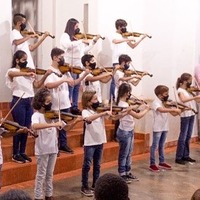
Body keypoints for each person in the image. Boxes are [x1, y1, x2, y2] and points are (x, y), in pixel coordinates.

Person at [32, 87, 82, 200]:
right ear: (41, 103)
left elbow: (66, 128)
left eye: (51, 102)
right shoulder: (36, 116)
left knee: (49, 175)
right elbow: (35, 126)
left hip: (53, 149)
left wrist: (75, 121)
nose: (50, 104)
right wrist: (53, 125)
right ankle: (37, 196)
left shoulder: (53, 116)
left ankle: (49, 195)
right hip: (42, 149)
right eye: (48, 102)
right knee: (41, 175)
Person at [5, 50, 51, 164]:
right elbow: (12, 75)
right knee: (19, 127)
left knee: (26, 127)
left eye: (26, 60)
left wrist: (45, 75)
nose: (25, 62)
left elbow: (37, 85)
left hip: (29, 101)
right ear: (17, 60)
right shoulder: (13, 71)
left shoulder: (29, 73)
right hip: (18, 100)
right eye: (23, 60)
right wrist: (25, 73)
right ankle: (15, 153)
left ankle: (22, 151)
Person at [44, 47, 90, 154]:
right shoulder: (50, 71)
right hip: (55, 103)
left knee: (64, 125)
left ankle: (63, 145)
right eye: (61, 57)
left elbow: (73, 83)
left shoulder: (65, 70)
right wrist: (63, 80)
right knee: (55, 127)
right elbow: (48, 85)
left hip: (65, 102)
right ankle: (54, 147)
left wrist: (84, 75)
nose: (64, 59)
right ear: (55, 58)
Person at [60, 18, 101, 114]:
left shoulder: (77, 39)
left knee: (77, 87)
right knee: (71, 86)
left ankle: (74, 106)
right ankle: (68, 106)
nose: (78, 29)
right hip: (70, 66)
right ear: (71, 26)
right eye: (76, 26)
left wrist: (93, 41)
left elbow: (84, 50)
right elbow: (68, 45)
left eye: (78, 26)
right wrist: (81, 40)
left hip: (79, 67)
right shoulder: (65, 36)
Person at [80, 90, 113, 197]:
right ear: (88, 102)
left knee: (97, 165)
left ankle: (96, 184)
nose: (97, 101)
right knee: (87, 164)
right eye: (95, 99)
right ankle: (84, 186)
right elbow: (88, 119)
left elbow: (111, 117)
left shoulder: (98, 111)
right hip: (90, 142)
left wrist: (121, 113)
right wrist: (102, 113)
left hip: (100, 141)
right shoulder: (85, 111)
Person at [116, 83, 150, 183]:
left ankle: (127, 171)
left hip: (129, 130)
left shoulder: (126, 103)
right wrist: (146, 109)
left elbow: (134, 108)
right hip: (124, 131)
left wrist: (138, 104)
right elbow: (138, 116)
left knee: (129, 153)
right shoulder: (123, 105)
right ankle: (122, 173)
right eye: (129, 92)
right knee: (124, 153)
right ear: (126, 93)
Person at [110, 19, 148, 102]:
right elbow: (115, 41)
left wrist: (141, 38)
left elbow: (133, 46)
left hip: (125, 60)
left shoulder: (124, 36)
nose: (125, 28)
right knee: (115, 81)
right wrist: (127, 39)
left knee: (125, 80)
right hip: (117, 61)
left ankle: (124, 98)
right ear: (119, 26)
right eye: (123, 26)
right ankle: (113, 99)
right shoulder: (114, 34)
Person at [149, 85, 181, 172]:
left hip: (165, 126)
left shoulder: (165, 102)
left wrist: (181, 110)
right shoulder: (156, 102)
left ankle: (161, 162)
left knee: (162, 145)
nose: (167, 95)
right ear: (160, 95)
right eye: (166, 94)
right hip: (158, 127)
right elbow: (161, 110)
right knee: (155, 146)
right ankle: (152, 163)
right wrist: (173, 110)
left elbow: (173, 114)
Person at [175, 73, 200, 164]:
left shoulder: (188, 90)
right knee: (183, 136)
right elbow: (183, 100)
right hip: (185, 115)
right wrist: (194, 97)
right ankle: (179, 157)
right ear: (185, 81)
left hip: (191, 113)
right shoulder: (180, 90)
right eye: (190, 80)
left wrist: (196, 97)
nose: (191, 82)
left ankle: (186, 155)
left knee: (188, 136)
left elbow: (196, 100)